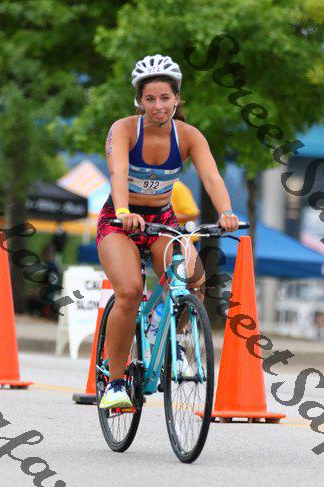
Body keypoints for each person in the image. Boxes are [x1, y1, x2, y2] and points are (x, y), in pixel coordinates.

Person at [96, 54, 238, 409]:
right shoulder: (124, 129)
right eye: (150, 98)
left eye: (165, 98)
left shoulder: (189, 136)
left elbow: (211, 177)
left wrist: (226, 212)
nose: (158, 106)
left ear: (177, 99)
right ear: (139, 101)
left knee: (193, 281)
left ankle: (162, 328)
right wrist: (124, 211)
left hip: (162, 220)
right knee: (130, 292)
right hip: (120, 220)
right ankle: (115, 383)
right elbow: (118, 173)